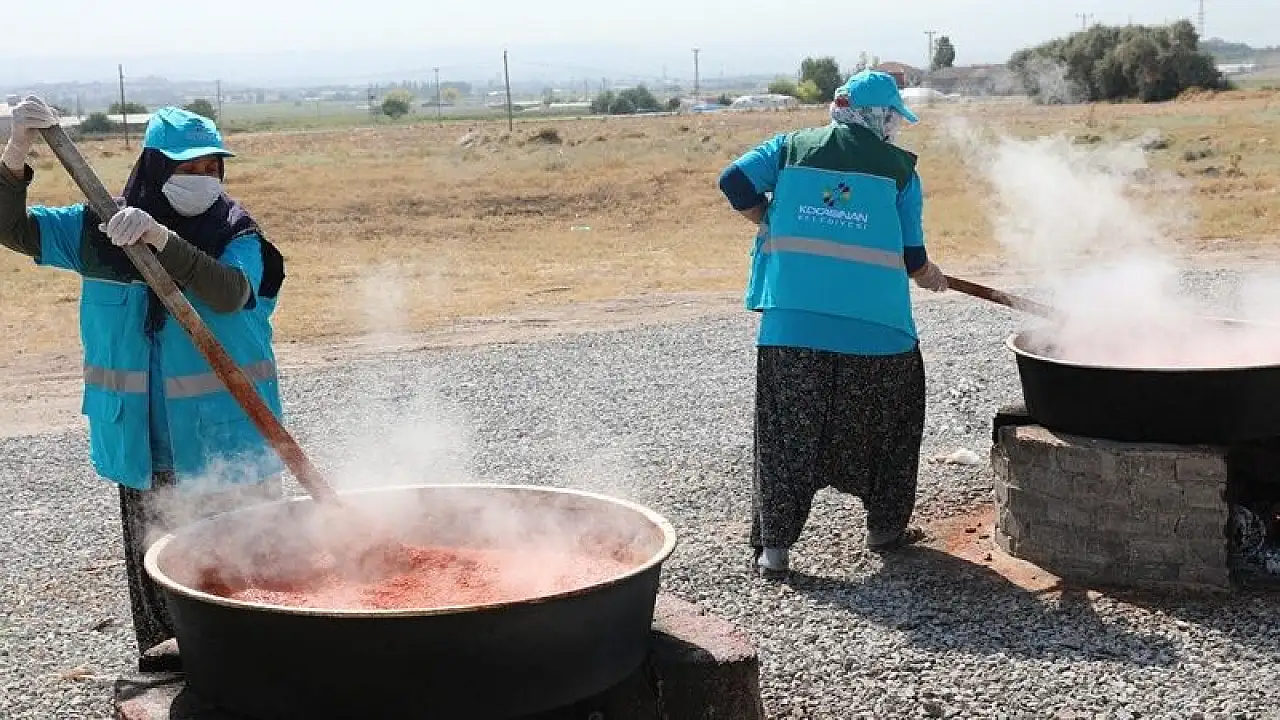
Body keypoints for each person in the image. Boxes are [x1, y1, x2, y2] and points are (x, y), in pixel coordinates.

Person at [0, 97, 288, 669]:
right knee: (161, 575)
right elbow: (9, 228)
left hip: (230, 442)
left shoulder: (237, 234)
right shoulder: (96, 233)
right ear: (156, 167)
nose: (203, 177)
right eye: (187, 166)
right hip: (143, 444)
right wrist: (14, 156)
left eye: (211, 166)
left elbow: (228, 292)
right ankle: (173, 674)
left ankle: (262, 670)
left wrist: (161, 239)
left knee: (250, 573)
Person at [716, 71, 949, 579]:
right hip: (879, 334)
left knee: (785, 437)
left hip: (791, 330)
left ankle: (774, 551)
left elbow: (733, 181)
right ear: (880, 117)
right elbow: (912, 258)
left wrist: (766, 215)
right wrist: (930, 275)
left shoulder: (788, 149)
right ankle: (884, 529)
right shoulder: (901, 172)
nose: (894, 127)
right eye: (893, 118)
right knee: (891, 427)